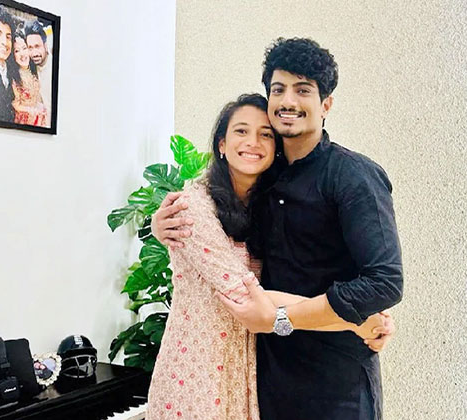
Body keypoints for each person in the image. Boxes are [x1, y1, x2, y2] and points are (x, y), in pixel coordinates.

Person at [153, 38, 403, 420]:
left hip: (335, 386)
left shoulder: (353, 176)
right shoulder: (265, 180)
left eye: (302, 90)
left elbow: (385, 282)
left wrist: (287, 319)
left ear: (326, 104)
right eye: (278, 89)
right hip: (267, 384)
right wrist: (161, 228)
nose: (288, 101)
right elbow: (219, 236)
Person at [10, 31, 47, 127]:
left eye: (24, 48)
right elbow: (15, 104)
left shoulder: (34, 70)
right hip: (25, 122)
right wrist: (32, 110)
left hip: (40, 119)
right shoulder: (14, 78)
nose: (22, 54)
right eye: (17, 51)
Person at [25, 20, 52, 124]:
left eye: (37, 46)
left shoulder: (53, 69)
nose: (34, 53)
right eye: (30, 48)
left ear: (45, 45)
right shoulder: (29, 66)